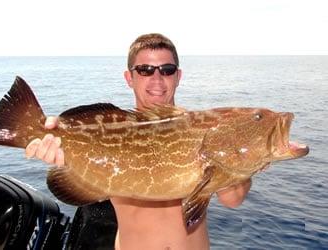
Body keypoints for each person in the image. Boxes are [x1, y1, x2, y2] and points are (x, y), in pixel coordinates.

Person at [25, 33, 252, 250]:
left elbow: (232, 200)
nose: (157, 79)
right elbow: (74, 170)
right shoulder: (108, 133)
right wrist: (56, 147)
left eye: (167, 70)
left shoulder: (203, 131)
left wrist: (234, 154)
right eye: (144, 70)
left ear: (178, 76)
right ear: (129, 78)